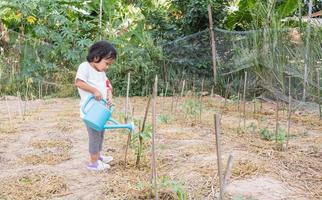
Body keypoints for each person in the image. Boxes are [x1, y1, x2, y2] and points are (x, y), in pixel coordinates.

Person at [75, 40, 116, 171]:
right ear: (96, 57)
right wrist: (94, 90)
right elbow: (79, 83)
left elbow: (108, 86)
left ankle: (98, 157)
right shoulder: (84, 67)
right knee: (94, 136)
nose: (107, 67)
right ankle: (93, 163)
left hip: (101, 110)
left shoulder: (102, 73)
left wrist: (109, 96)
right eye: (107, 63)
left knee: (100, 134)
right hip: (90, 112)